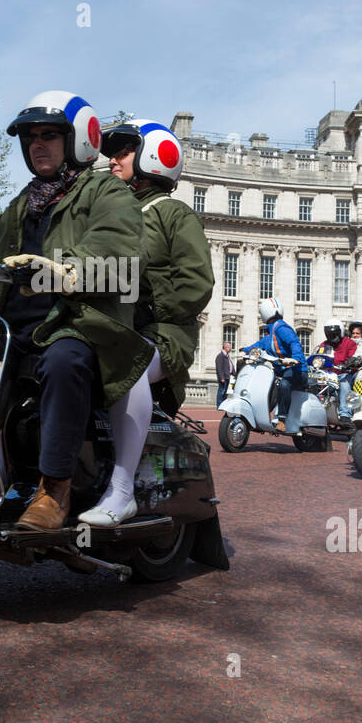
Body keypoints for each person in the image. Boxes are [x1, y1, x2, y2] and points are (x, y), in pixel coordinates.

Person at [0, 91, 150, 533]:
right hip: (9, 330)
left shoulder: (105, 191)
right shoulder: (24, 202)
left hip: (75, 324)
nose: (37, 145)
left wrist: (66, 271)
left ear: (78, 140)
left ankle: (55, 489)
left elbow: (122, 255)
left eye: (49, 135)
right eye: (30, 137)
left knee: (65, 359)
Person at [78, 119, 214, 525]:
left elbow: (197, 283)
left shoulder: (172, 214)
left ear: (154, 156)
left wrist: (146, 301)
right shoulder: (111, 214)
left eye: (123, 151)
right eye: (112, 152)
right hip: (113, 329)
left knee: (128, 366)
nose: (113, 159)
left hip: (162, 336)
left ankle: (121, 491)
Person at [240, 298, 307, 432]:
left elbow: (294, 342)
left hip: (296, 369)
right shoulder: (270, 332)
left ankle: (282, 419)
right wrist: (246, 350)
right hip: (282, 370)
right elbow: (261, 344)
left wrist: (296, 358)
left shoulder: (281, 327)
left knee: (284, 384)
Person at [314, 317, 358, 421]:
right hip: (327, 375)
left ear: (341, 332)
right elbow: (319, 356)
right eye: (329, 334)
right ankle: (315, 410)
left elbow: (354, 358)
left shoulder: (349, 343)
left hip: (343, 374)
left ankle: (345, 414)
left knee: (344, 384)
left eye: (334, 333)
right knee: (312, 383)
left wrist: (348, 364)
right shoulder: (324, 345)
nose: (332, 336)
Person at [215, 341, 235, 408]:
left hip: (227, 376)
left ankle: (223, 405)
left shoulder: (226, 356)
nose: (230, 348)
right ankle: (219, 405)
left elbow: (230, 366)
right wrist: (222, 378)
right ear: (226, 347)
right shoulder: (220, 356)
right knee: (221, 391)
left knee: (225, 391)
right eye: (229, 347)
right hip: (223, 377)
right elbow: (219, 368)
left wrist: (235, 374)